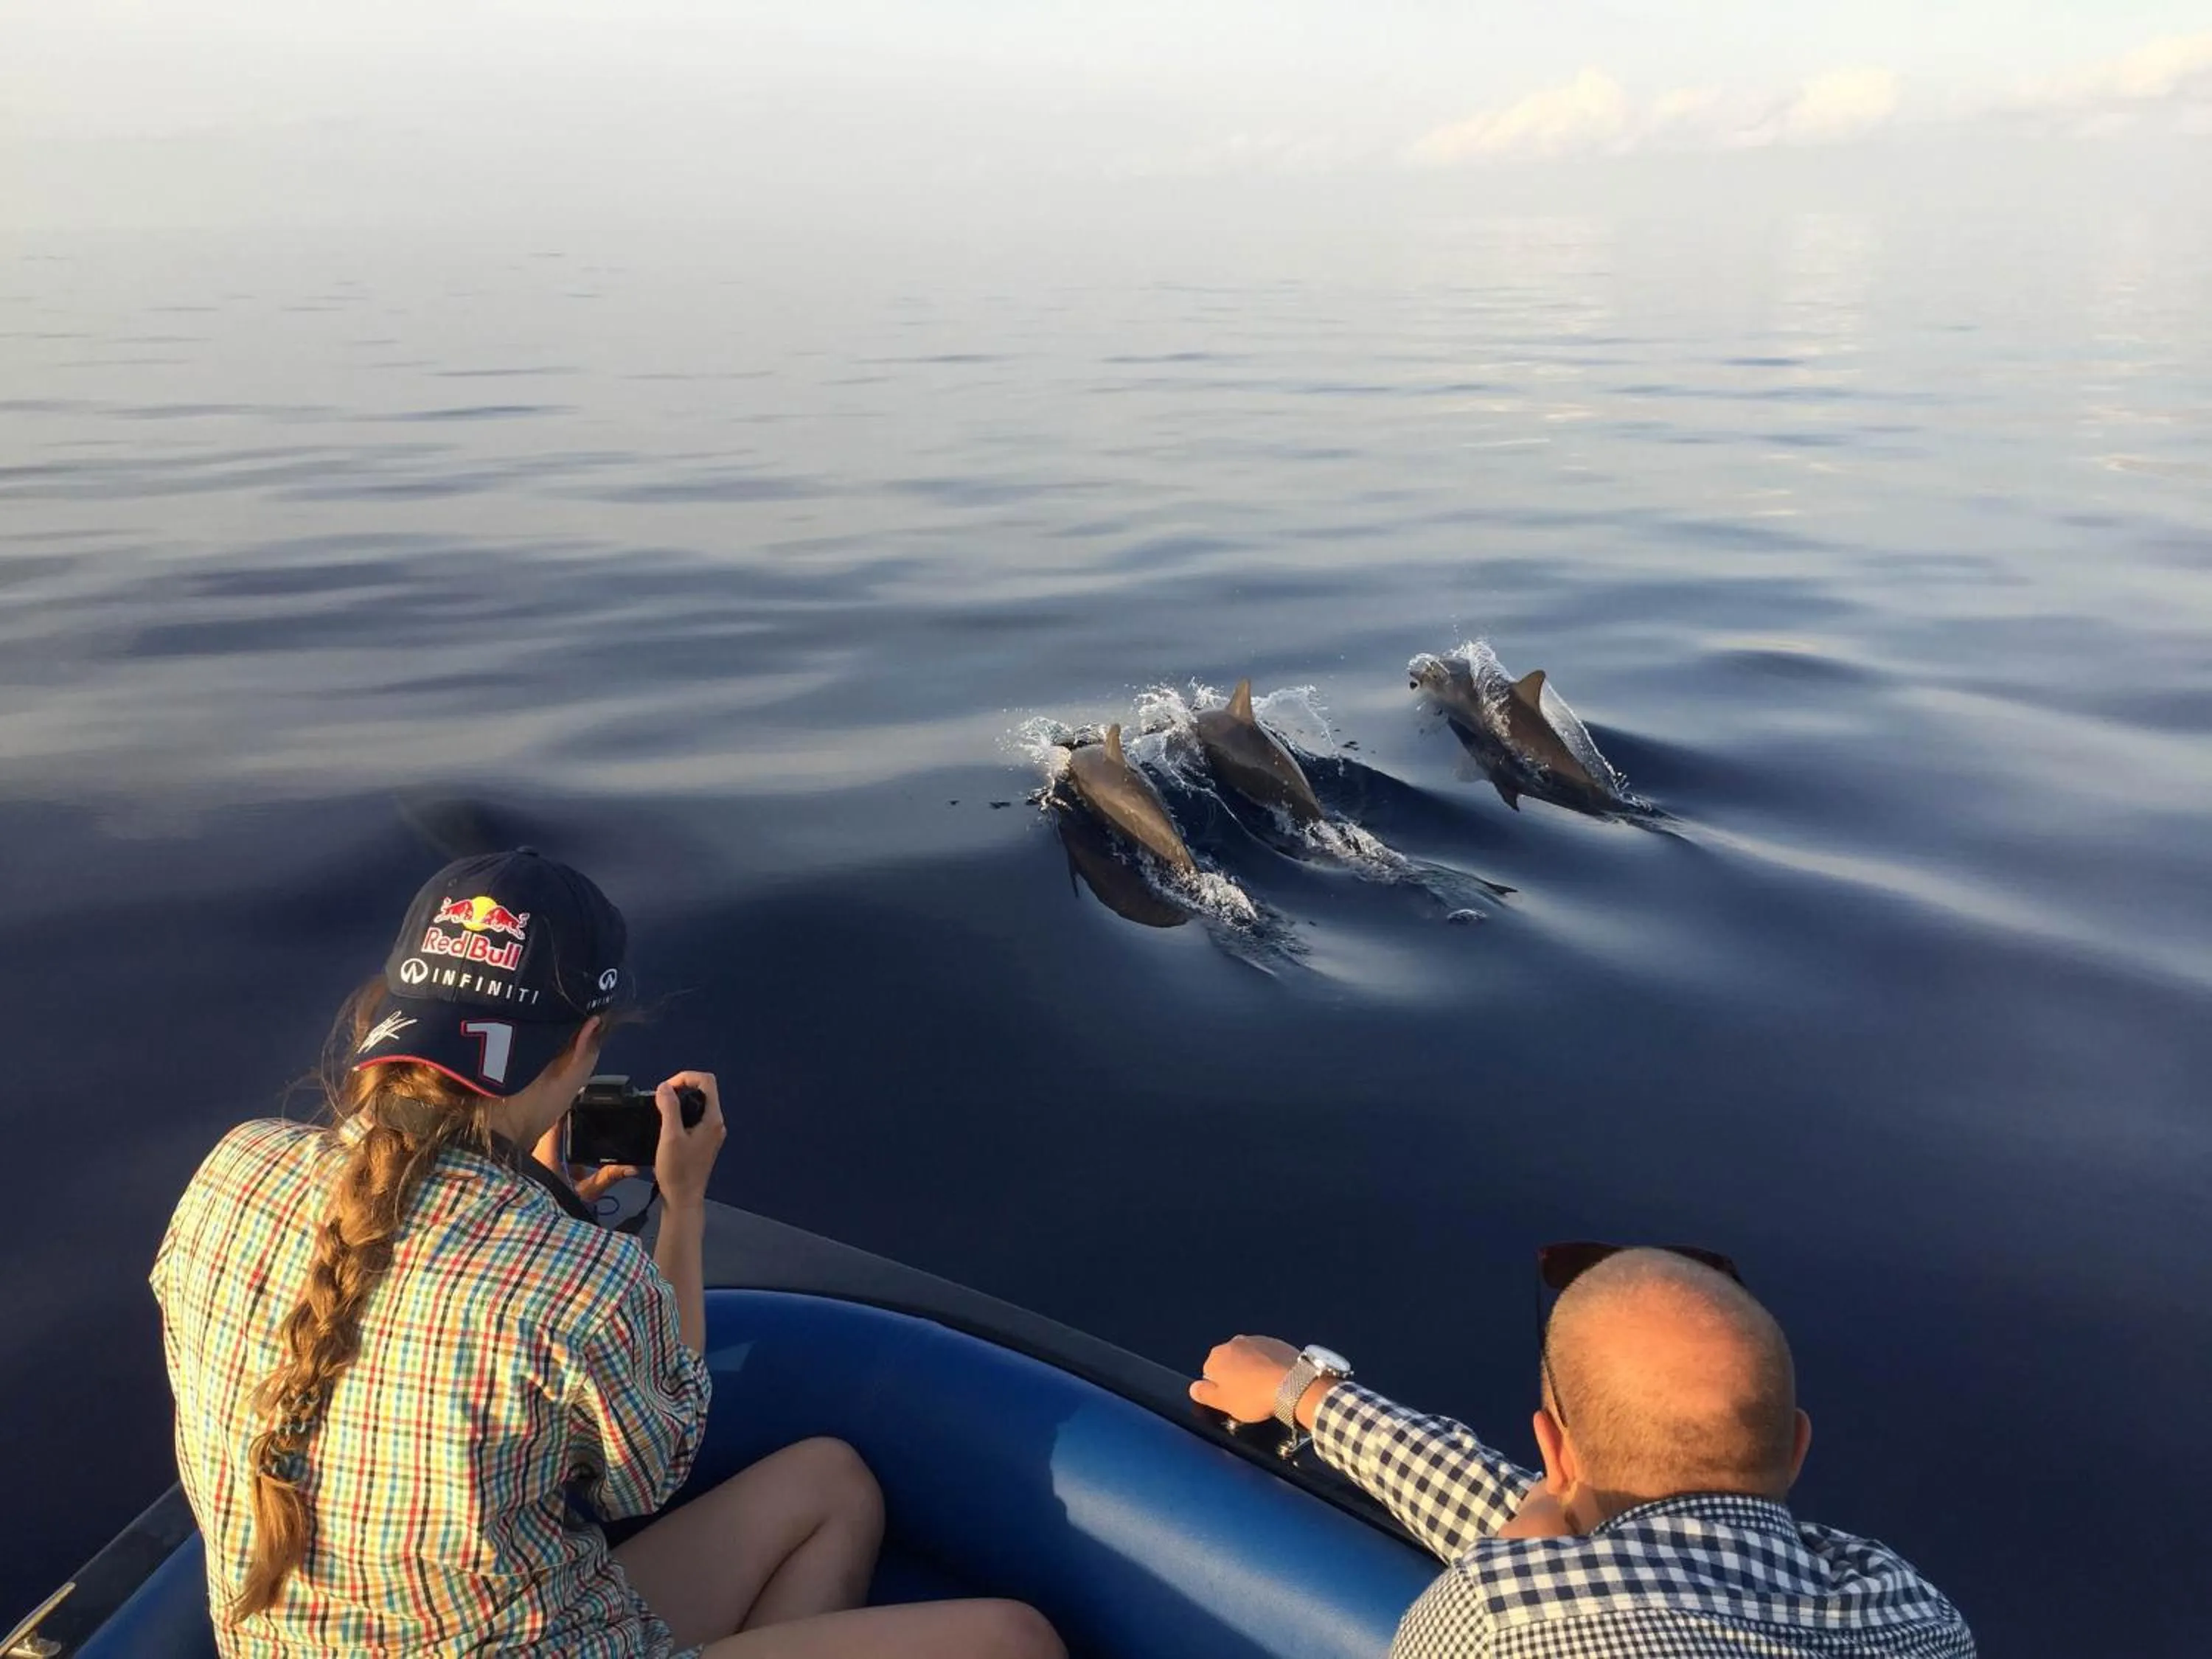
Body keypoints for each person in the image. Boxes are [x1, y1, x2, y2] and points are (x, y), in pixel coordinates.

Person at [153, 849, 1063, 1659]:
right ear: (586, 1043)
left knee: (833, 1485)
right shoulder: (580, 1281)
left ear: (392, 1013)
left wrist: (538, 1206)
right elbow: (650, 1475)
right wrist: (684, 1203)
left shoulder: (232, 1166)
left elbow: (402, 1287)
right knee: (1012, 1639)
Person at [1192, 1245, 1975, 1658]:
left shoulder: (1499, 1618)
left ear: (1552, 1449)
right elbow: (1615, 1544)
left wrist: (1304, 1389)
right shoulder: (1918, 1615)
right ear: (1798, 1446)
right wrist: (1314, 1399)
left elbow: (1560, 1550)